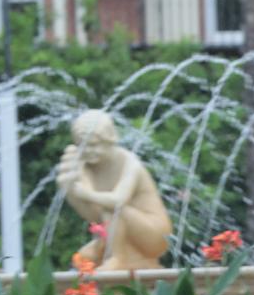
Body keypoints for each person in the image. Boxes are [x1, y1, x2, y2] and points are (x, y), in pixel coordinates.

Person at [56, 110, 172, 271]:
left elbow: (117, 201)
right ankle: (116, 256)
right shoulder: (88, 166)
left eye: (94, 145)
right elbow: (95, 216)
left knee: (111, 205)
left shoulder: (130, 163)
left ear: (109, 140)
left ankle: (117, 258)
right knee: (83, 258)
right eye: (83, 145)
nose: (88, 151)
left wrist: (85, 193)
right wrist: (72, 191)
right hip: (120, 232)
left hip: (154, 235)